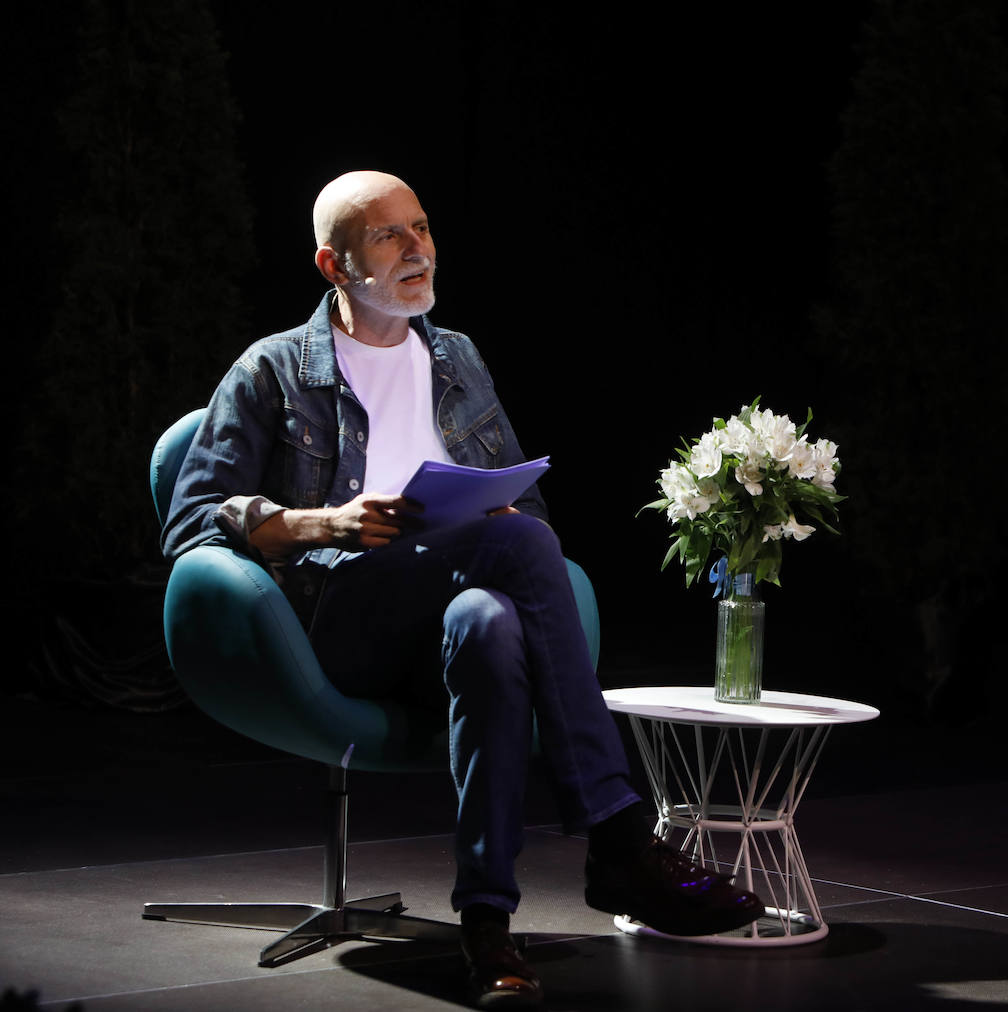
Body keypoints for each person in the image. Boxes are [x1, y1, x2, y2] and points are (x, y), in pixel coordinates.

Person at [161, 170, 762, 1009]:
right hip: (335, 623)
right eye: (388, 237)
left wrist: (495, 511)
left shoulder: (457, 357)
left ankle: (487, 925)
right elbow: (190, 519)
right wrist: (325, 523)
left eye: (423, 227)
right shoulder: (275, 369)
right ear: (334, 266)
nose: (418, 249)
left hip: (443, 613)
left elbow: (531, 516)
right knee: (511, 547)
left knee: (489, 624)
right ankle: (621, 839)